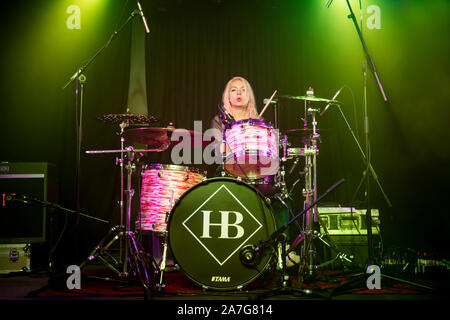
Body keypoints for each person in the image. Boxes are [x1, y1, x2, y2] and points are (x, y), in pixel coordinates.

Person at [211, 76, 300, 268]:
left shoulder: (261, 122)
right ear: (227, 95)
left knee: (281, 198)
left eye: (243, 90)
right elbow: (219, 153)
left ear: (249, 95)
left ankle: (283, 252)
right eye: (233, 90)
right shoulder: (220, 121)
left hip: (257, 174)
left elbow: (270, 153)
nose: (238, 94)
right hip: (230, 173)